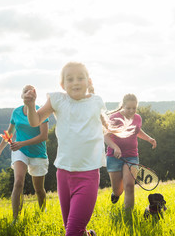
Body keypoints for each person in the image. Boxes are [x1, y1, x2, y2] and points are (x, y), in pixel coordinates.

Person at [23, 62, 133, 236]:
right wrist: (30, 105)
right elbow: (35, 121)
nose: (75, 82)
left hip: (87, 176)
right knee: (73, 229)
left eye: (80, 78)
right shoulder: (57, 100)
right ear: (63, 85)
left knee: (72, 232)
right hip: (63, 174)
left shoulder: (96, 102)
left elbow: (103, 124)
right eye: (70, 79)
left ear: (88, 81)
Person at [0, 85, 49, 222]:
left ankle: (43, 211)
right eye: (24, 91)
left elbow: (43, 136)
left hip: (38, 153)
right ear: (21, 95)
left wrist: (22, 143)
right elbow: (9, 133)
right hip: (20, 151)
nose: (27, 93)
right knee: (18, 182)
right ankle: (16, 219)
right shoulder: (16, 112)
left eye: (31, 91)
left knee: (39, 190)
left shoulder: (41, 111)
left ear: (34, 96)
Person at [106, 94, 157, 210]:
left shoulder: (138, 118)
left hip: (132, 156)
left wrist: (149, 138)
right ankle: (116, 194)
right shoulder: (115, 118)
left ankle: (128, 214)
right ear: (122, 106)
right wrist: (115, 147)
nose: (131, 111)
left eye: (134, 108)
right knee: (118, 190)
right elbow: (106, 137)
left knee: (129, 186)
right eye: (128, 108)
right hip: (114, 157)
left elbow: (137, 131)